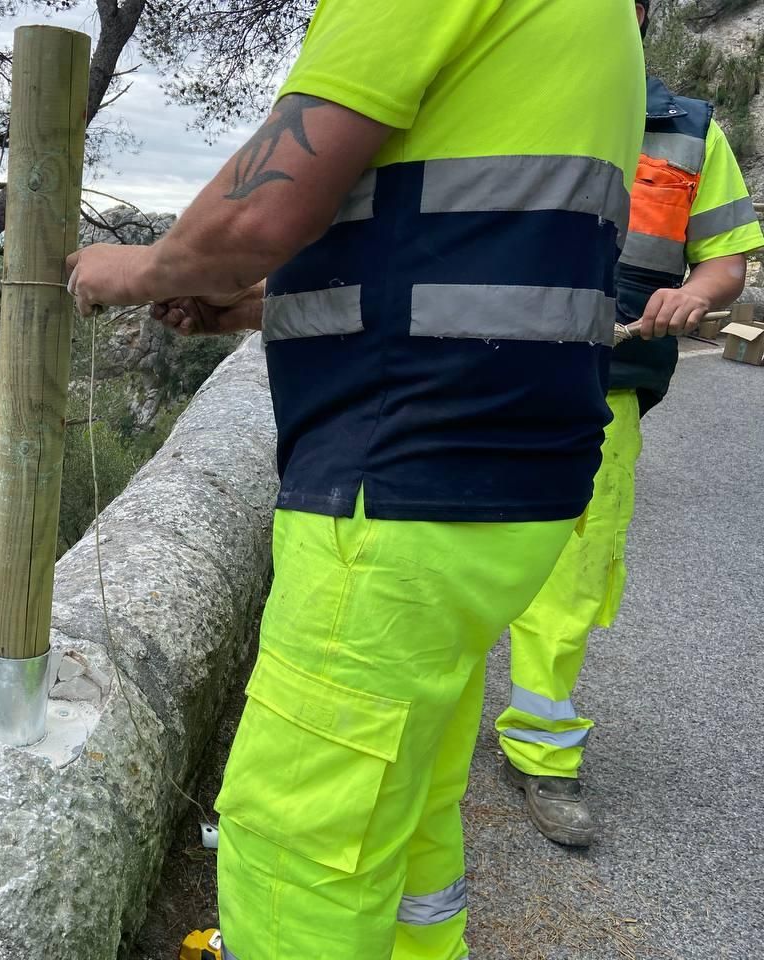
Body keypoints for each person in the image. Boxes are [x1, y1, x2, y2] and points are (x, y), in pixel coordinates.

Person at [66, 1, 645, 956]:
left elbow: (264, 208)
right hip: (510, 480)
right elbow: (466, 240)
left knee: (300, 839)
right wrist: (264, 305)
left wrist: (133, 268)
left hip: (399, 480)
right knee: (404, 805)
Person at [497, 0, 764, 848]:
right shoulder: (507, 95)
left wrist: (697, 293)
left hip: (603, 389)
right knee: (444, 544)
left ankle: (540, 750)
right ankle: (417, 726)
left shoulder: (691, 134)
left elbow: (726, 259)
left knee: (571, 572)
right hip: (482, 371)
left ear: (639, 16)